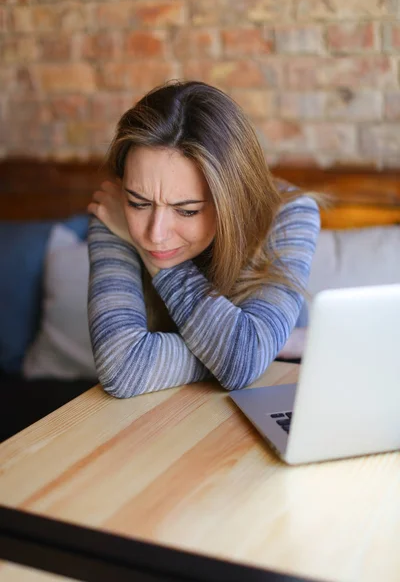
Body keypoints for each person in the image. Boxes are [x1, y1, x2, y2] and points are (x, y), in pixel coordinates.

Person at [87, 80, 320, 399]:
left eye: (187, 210)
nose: (154, 235)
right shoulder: (114, 215)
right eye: (140, 203)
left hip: (275, 398)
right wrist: (277, 344)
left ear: (232, 201)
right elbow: (123, 368)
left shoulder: (289, 214)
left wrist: (162, 268)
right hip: (167, 412)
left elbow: (243, 361)